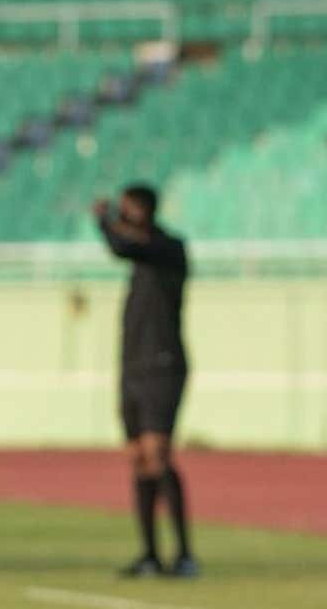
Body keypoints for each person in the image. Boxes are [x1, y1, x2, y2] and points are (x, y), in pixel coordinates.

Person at [93, 184, 198, 579]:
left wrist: (104, 221)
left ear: (145, 211)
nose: (125, 217)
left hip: (162, 365)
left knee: (159, 454)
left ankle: (185, 554)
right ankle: (150, 555)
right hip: (132, 367)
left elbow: (124, 245)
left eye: (129, 211)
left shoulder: (169, 248)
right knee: (138, 459)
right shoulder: (143, 255)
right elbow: (127, 245)